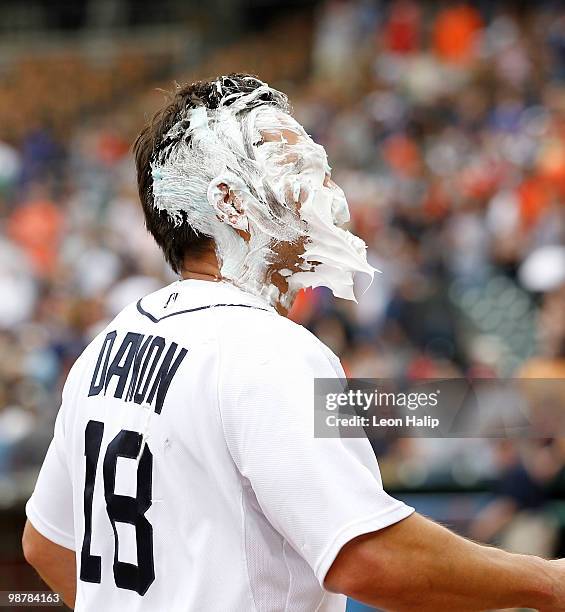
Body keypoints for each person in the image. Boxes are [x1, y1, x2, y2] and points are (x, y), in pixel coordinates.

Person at [22, 74, 565, 611]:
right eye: (300, 167)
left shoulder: (110, 341)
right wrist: (547, 581)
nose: (330, 189)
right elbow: (367, 557)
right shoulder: (262, 347)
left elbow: (45, 544)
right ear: (231, 205)